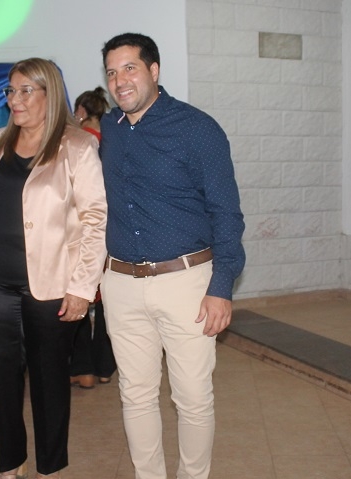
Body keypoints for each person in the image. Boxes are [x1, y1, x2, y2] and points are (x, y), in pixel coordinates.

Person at [99, 33, 246, 479]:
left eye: (130, 68)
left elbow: (227, 214)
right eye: (111, 72)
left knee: (193, 399)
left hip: (187, 284)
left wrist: (221, 288)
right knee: (135, 395)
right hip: (121, 284)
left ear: (154, 70)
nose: (120, 80)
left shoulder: (198, 129)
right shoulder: (108, 129)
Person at [0, 58, 106, 479]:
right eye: (11, 91)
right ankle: (11, 463)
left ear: (50, 93)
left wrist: (82, 288)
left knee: (49, 379)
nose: (15, 100)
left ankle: (50, 468)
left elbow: (95, 219)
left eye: (26, 91)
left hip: (52, 285)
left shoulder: (77, 146)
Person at [69, 87, 116, 389]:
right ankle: (105, 367)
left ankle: (82, 368)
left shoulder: (77, 141)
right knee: (108, 302)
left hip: (83, 230)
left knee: (79, 298)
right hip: (112, 232)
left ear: (82, 111)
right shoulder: (112, 138)